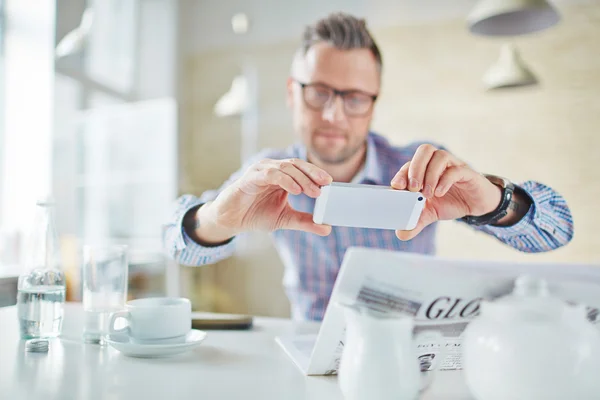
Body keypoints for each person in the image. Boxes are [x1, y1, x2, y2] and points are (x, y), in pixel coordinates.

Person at [163, 12, 574, 321]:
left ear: (374, 102)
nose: (334, 115)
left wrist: (492, 203)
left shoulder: (420, 170)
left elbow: (556, 233)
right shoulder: (266, 175)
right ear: (292, 92)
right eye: (319, 92)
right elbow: (176, 246)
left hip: (409, 350)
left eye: (355, 97)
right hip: (310, 348)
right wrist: (218, 218)